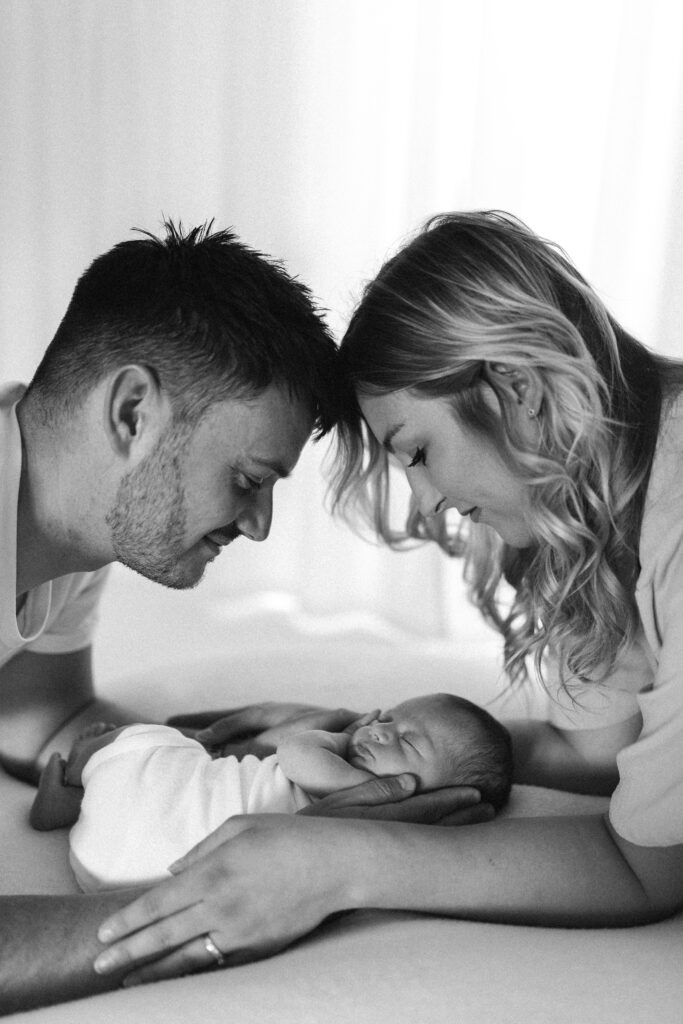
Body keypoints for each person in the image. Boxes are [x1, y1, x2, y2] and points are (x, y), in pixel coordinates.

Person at [86, 210, 683, 987]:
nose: (428, 503)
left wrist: (334, 861)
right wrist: (382, 737)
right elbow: (602, 751)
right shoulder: (618, 502)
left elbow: (648, 869)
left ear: (516, 387)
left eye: (420, 453)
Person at [0, 221, 490, 1015]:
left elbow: (41, 724)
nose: (258, 524)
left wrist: (247, 768)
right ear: (131, 413)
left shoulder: (61, 530)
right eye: (248, 478)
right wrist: (224, 905)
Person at [30, 694, 512, 891]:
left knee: (149, 738)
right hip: (125, 881)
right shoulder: (383, 843)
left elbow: (294, 751)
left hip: (111, 846)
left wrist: (342, 733)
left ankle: (67, 787)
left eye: (407, 741)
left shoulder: (356, 786)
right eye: (386, 718)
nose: (380, 731)